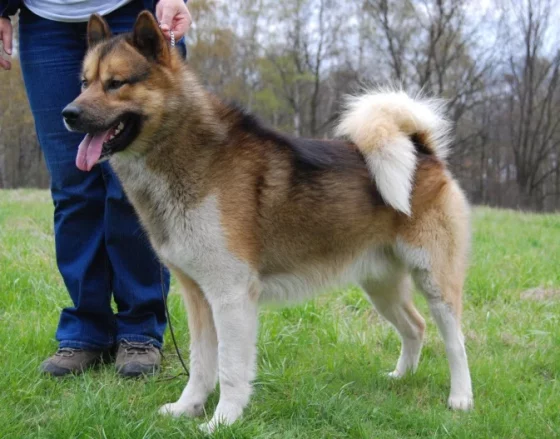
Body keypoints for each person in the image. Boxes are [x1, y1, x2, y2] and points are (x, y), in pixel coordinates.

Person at [0, 0, 191, 377]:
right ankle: (87, 331)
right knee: (72, 188)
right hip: (46, 20)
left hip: (131, 7)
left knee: (132, 191)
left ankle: (140, 330)